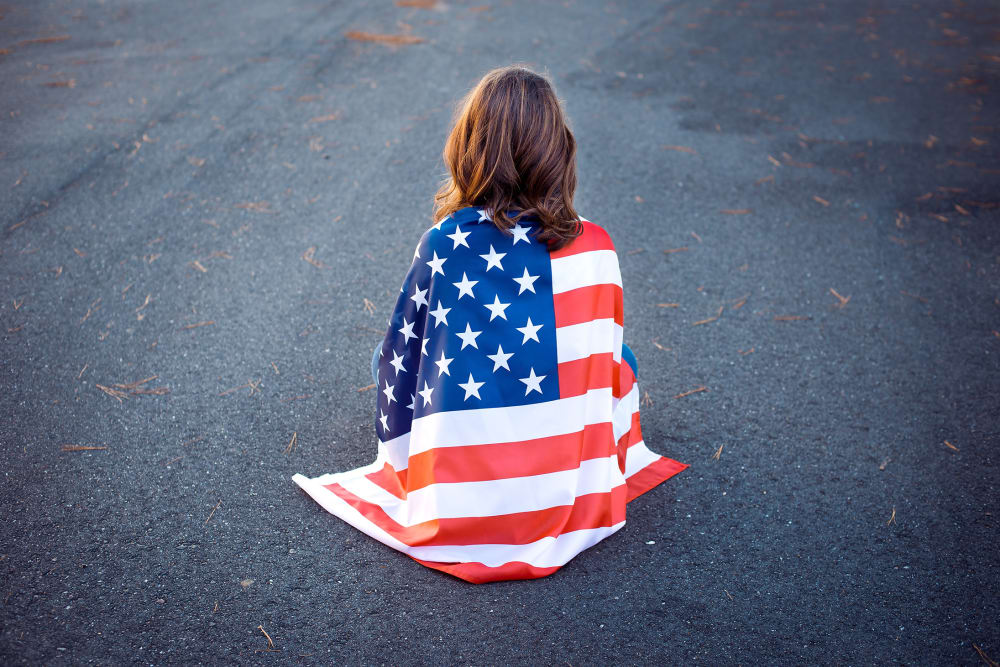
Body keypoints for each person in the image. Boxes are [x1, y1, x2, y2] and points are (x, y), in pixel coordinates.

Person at [293, 65, 686, 583]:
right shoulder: (596, 244)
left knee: (387, 352)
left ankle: (468, 452)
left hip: (467, 447)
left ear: (470, 149)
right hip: (568, 477)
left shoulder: (445, 243)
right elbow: (604, 349)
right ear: (558, 151)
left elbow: (401, 353)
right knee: (621, 356)